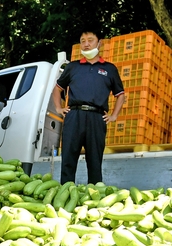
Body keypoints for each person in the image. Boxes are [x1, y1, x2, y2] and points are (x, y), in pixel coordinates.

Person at [53, 29, 127, 185]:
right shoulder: (72, 67)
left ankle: (94, 196)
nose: (86, 44)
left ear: (99, 43)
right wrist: (59, 108)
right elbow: (58, 88)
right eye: (83, 41)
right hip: (74, 116)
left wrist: (113, 116)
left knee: (95, 160)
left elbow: (120, 94)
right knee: (68, 158)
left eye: (90, 40)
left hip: (97, 117)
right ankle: (65, 192)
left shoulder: (109, 69)